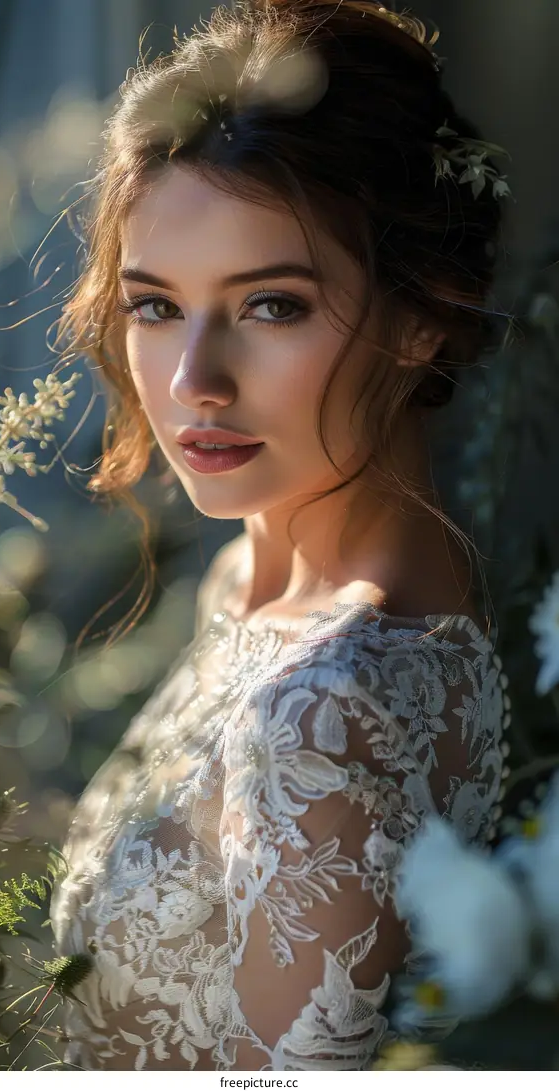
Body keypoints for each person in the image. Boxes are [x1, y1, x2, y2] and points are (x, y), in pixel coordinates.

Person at [50, 0, 511, 1071]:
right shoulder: (249, 572)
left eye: (270, 306)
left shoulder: (335, 702)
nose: (191, 383)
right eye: (156, 306)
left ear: (421, 315)